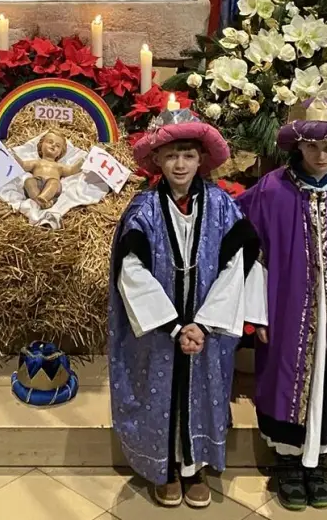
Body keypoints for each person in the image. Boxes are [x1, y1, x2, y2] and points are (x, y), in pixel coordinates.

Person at [110, 105, 258, 507]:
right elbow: (131, 272)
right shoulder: (142, 211)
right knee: (161, 390)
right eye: (171, 155)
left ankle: (194, 465)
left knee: (203, 389)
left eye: (189, 155)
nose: (180, 164)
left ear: (201, 159)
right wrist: (175, 326)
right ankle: (166, 466)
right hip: (160, 332)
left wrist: (204, 324)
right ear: (156, 160)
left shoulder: (223, 207)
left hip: (205, 329)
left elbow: (240, 261)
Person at [238, 99, 327, 511]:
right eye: (312, 146)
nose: (320, 155)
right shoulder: (272, 189)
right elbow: (252, 253)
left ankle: (319, 463)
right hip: (285, 307)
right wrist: (258, 312)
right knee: (285, 375)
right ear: (298, 145)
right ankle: (288, 461)